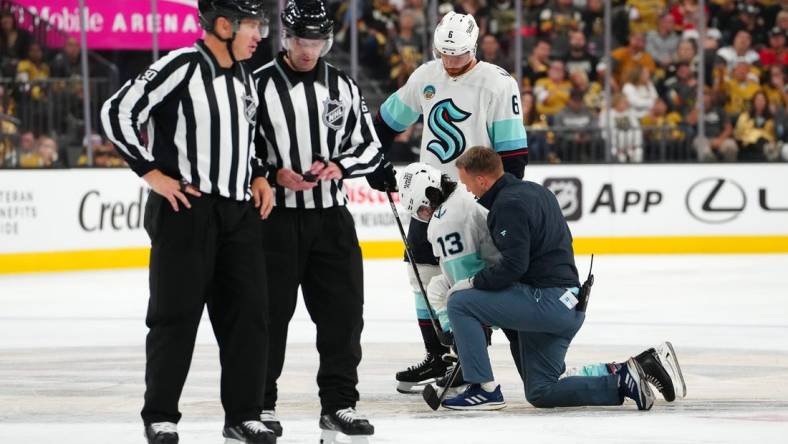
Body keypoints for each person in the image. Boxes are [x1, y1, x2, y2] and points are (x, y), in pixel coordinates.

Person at [100, 1, 276, 443]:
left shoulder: (244, 76)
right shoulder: (180, 65)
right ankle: (161, 416)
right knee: (174, 318)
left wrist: (257, 173)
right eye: (252, 25)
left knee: (250, 318)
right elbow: (117, 112)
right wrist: (150, 173)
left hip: (239, 215)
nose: (260, 35)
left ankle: (243, 414)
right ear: (223, 24)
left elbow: (246, 134)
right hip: (185, 212)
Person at [441, 146, 685, 411]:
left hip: (547, 303)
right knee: (541, 391)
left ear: (482, 180)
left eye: (467, 183)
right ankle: (626, 375)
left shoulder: (507, 205)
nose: (467, 191)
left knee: (459, 302)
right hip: (568, 303)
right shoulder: (537, 191)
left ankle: (482, 390)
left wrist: (473, 283)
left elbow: (514, 267)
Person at [366, 11, 528, 394]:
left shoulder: (497, 84)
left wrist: (502, 202)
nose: (451, 63)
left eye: (458, 55)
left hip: (474, 198)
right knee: (421, 274)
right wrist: (374, 160)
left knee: (466, 278)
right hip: (427, 193)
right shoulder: (426, 75)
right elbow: (386, 122)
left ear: (473, 48)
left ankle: (469, 360)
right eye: (444, 54)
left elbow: (514, 156)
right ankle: (438, 355)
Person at [252, 0, 381, 439]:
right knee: (268, 316)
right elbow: (237, 147)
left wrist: (340, 165)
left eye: (318, 42)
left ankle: (339, 404)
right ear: (285, 38)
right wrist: (270, 173)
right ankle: (260, 405)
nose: (309, 51)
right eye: (302, 42)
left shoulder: (341, 85)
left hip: (331, 220)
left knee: (343, 316)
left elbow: (369, 145)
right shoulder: (256, 85)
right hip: (274, 223)